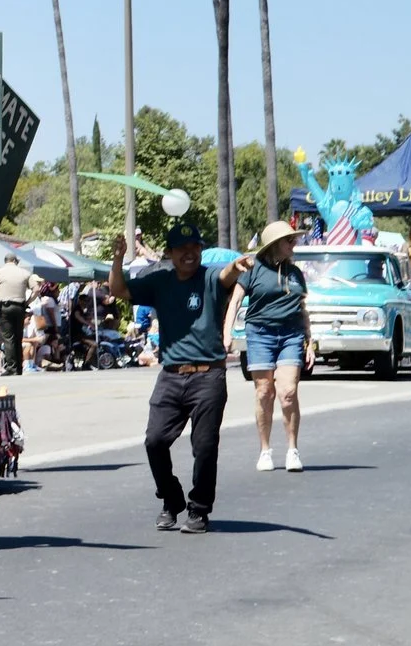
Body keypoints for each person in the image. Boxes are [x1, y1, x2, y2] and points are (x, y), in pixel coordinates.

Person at [113, 225, 250, 532]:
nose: (189, 253)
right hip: (171, 376)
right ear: (170, 253)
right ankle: (171, 497)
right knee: (155, 440)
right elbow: (119, 291)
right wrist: (118, 259)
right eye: (182, 248)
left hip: (208, 376)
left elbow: (226, 274)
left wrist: (236, 265)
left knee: (205, 446)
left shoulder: (209, 277)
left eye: (195, 247)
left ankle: (199, 509)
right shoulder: (159, 280)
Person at [229, 219, 312, 473]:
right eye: (289, 240)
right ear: (275, 244)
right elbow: (235, 301)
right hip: (260, 333)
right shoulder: (253, 269)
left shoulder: (295, 273)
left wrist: (310, 341)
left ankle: (292, 449)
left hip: (291, 335)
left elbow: (302, 308)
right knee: (264, 391)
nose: (294, 243)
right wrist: (227, 333)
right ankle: (265, 450)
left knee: (288, 393)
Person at [0, 251, 36, 377]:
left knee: (8, 337)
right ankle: (19, 368)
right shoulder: (25, 273)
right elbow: (36, 289)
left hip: (4, 307)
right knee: (18, 337)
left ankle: (12, 368)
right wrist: (28, 302)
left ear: (5, 261)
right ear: (15, 261)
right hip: (19, 306)